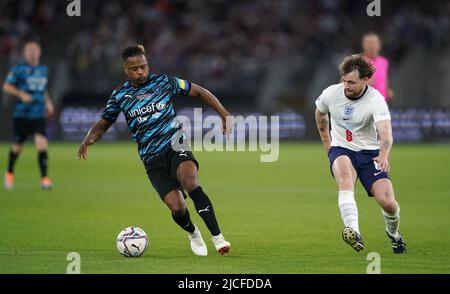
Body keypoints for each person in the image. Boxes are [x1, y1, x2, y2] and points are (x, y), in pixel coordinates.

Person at [77, 45, 232, 256]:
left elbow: (199, 91)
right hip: (152, 159)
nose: (141, 71)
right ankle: (193, 233)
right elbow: (104, 124)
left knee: (191, 182)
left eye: (143, 66)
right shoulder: (120, 96)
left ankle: (218, 238)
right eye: (135, 69)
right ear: (125, 69)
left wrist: (224, 113)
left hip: (175, 145)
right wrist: (89, 138)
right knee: (177, 208)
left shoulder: (164, 82)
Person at [314, 54, 407, 254]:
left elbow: (385, 132)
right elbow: (320, 113)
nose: (346, 86)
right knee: (345, 179)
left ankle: (394, 235)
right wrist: (327, 142)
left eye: (352, 82)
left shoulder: (375, 100)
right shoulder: (332, 93)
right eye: (345, 80)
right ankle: (353, 231)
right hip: (341, 148)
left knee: (388, 203)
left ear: (365, 80)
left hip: (370, 153)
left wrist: (384, 155)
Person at [3, 41, 54, 190]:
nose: (32, 52)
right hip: (22, 114)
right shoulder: (19, 70)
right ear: (25, 53)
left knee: (42, 145)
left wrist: (48, 102)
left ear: (39, 52)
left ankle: (44, 178)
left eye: (34, 50)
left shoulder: (43, 70)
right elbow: (6, 86)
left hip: (38, 114)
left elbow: (43, 89)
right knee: (17, 147)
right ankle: (9, 172)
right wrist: (21, 94)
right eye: (29, 50)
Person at [362, 32, 394, 103]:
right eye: (369, 43)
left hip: (382, 103)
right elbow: (346, 83)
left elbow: (384, 79)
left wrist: (388, 90)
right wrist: (362, 84)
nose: (371, 46)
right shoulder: (358, 62)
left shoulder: (384, 62)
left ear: (379, 45)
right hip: (366, 104)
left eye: (374, 43)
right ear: (364, 45)